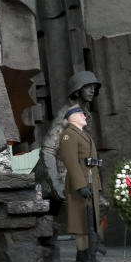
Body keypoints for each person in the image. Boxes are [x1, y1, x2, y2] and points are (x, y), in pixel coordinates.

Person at [57, 106, 108, 262]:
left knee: (90, 223)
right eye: (81, 114)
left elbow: (91, 163)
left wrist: (97, 186)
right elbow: (71, 161)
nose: (84, 116)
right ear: (71, 117)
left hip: (90, 183)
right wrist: (80, 185)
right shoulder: (68, 135)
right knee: (81, 224)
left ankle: (92, 259)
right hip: (80, 185)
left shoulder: (83, 134)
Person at [36, 70, 101, 200]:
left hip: (82, 175)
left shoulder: (86, 114)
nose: (92, 90)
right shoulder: (66, 115)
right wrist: (56, 184)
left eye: (94, 87)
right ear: (77, 91)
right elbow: (47, 151)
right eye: (87, 86)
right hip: (64, 175)